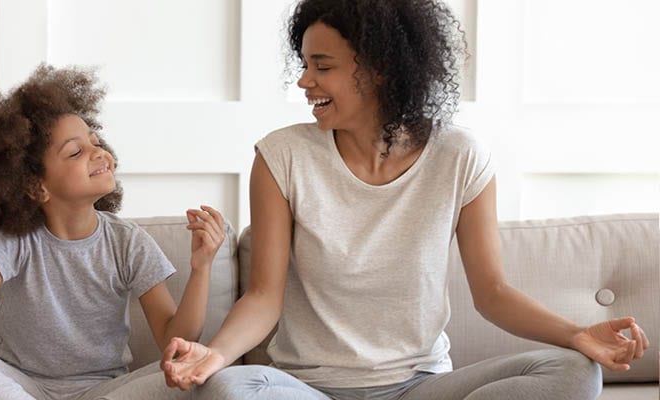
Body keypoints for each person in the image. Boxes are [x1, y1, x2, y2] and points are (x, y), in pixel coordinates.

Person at [160, 1, 650, 399]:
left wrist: (577, 334)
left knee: (572, 371)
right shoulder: (281, 155)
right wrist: (216, 355)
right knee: (231, 387)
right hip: (306, 389)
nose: (304, 81)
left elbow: (494, 293)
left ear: (380, 70)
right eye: (304, 64)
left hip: (421, 386)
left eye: (322, 66)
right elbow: (264, 297)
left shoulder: (461, 156)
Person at [0, 64, 224, 400]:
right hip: (19, 386)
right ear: (36, 186)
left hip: (106, 390)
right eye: (76, 151)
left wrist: (201, 267)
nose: (100, 153)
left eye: (95, 142)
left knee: (199, 370)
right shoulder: (17, 242)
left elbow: (174, 340)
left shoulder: (128, 242)